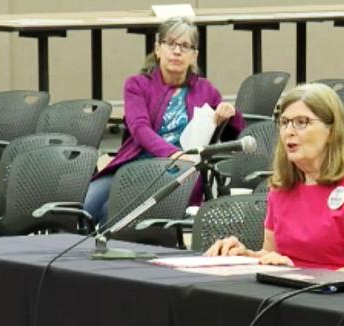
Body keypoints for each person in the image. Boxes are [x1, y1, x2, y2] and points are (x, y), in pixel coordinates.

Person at [205, 83, 344, 278]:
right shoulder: (282, 187)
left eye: (302, 122)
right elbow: (273, 255)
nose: (289, 131)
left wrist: (298, 275)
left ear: (331, 131)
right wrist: (245, 256)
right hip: (291, 294)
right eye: (285, 122)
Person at [84, 17, 244, 225]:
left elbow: (235, 133)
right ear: (158, 49)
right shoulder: (137, 85)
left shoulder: (206, 90)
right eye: (170, 44)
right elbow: (139, 129)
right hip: (135, 164)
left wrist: (230, 113)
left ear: (194, 56)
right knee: (87, 206)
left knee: (110, 213)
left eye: (185, 46)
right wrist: (174, 154)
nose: (177, 51)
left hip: (178, 175)